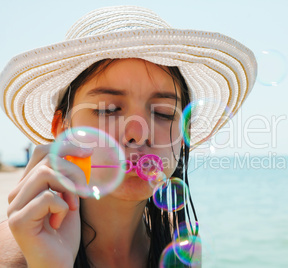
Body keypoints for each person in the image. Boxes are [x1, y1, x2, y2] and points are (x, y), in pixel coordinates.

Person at [0, 6, 257, 268]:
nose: (138, 133)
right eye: (108, 109)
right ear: (62, 129)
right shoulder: (16, 252)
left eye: (165, 113)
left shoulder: (178, 243)